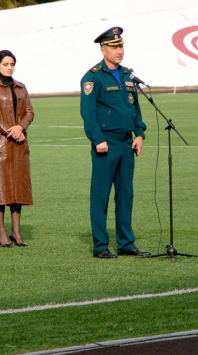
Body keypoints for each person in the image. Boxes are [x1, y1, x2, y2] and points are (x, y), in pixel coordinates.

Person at [80, 27, 150, 259]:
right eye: (114, 47)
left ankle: (126, 243)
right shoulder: (93, 77)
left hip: (126, 144)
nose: (119, 51)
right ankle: (100, 246)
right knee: (100, 196)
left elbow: (134, 107)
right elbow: (88, 113)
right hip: (106, 144)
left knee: (125, 194)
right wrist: (97, 139)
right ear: (103, 49)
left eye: (121, 46)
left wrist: (139, 134)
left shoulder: (129, 75)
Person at [0, 50, 34, 248]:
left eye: (12, 64)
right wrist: (10, 130)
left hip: (19, 144)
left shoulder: (21, 87)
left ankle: (16, 231)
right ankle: (2, 231)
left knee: (17, 188)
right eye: (5, 64)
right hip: (0, 144)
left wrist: (21, 127)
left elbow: (30, 111)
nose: (9, 67)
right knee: (0, 189)